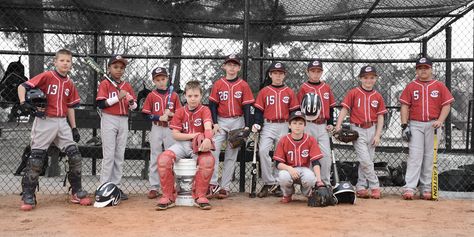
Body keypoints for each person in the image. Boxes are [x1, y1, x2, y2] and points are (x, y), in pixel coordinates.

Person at [17, 49, 91, 211]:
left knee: (75, 155)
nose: (65, 63)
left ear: (71, 64)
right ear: (55, 62)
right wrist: (23, 103)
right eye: (62, 60)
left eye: (68, 61)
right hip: (45, 121)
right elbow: (22, 86)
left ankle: (76, 191)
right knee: (36, 158)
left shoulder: (70, 84)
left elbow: (70, 107)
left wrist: (74, 127)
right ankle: (28, 194)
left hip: (62, 122)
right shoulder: (47, 76)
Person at [399, 57, 454, 200]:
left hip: (433, 125)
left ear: (431, 69)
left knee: (430, 157)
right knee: (415, 156)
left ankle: (426, 187)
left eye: (426, 68)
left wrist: (440, 120)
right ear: (417, 70)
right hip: (415, 124)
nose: (423, 70)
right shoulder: (411, 86)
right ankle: (409, 187)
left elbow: (446, 105)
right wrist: (404, 125)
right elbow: (405, 106)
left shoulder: (439, 85)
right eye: (420, 68)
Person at [156, 80, 215, 210]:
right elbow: (175, 135)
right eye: (189, 96)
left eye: (196, 96)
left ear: (201, 96)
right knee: (163, 159)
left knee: (208, 160)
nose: (193, 99)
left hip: (197, 146)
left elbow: (207, 128)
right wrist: (193, 135)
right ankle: (168, 196)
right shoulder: (180, 111)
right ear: (185, 96)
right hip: (182, 144)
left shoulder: (205, 110)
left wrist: (207, 139)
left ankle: (199, 196)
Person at [335, 65, 387, 199]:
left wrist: (377, 134)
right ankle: (375, 185)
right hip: (357, 129)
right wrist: (338, 125)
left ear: (375, 79)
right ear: (360, 78)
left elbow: (381, 117)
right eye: (365, 77)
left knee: (368, 160)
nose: (368, 80)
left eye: (371, 77)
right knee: (365, 160)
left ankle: (361, 186)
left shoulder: (378, 96)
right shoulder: (354, 92)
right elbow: (345, 109)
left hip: (372, 128)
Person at [207, 54, 254, 199]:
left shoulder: (243, 85)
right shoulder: (218, 84)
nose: (232, 67)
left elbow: (247, 106)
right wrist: (214, 123)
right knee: (213, 152)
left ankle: (225, 187)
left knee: (231, 156)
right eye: (229, 64)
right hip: (220, 121)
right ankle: (213, 184)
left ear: (239, 68)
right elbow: (212, 105)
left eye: (235, 65)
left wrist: (247, 126)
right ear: (224, 66)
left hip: (237, 121)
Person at [252, 62, 299, 198]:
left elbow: (294, 111)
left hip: (284, 125)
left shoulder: (289, 91)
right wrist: (257, 123)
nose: (278, 76)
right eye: (275, 73)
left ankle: (279, 183)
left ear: (284, 75)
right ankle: (268, 182)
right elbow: (259, 111)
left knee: (281, 155)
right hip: (268, 124)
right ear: (270, 74)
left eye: (280, 73)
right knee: (263, 150)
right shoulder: (264, 91)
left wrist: (292, 127)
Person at [96, 55, 137, 200]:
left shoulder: (127, 85)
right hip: (109, 119)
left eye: (121, 67)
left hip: (123, 120)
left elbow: (134, 107)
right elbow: (101, 104)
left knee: (119, 155)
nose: (119, 70)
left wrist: (131, 101)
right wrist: (118, 97)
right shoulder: (105, 84)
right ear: (109, 68)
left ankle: (116, 187)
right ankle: (104, 187)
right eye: (115, 67)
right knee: (109, 155)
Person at [142, 66, 182, 199]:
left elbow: (181, 114)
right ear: (154, 81)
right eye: (157, 79)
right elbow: (145, 114)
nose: (161, 82)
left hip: (170, 128)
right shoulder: (151, 95)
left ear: (167, 79)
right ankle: (154, 186)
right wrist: (159, 117)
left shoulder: (174, 95)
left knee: (172, 156)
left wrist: (172, 114)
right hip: (157, 127)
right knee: (155, 156)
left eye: (163, 79)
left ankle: (174, 185)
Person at [297, 59, 336, 185]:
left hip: (323, 125)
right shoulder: (304, 88)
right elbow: (299, 108)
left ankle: (324, 182)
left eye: (318, 71)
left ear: (322, 72)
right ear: (307, 72)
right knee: (308, 154)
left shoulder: (326, 87)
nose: (315, 74)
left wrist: (331, 123)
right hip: (308, 124)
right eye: (313, 71)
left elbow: (331, 107)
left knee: (325, 155)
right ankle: (309, 182)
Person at [273, 111, 325, 203]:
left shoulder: (310, 140)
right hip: (289, 170)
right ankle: (287, 194)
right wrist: (289, 168)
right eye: (294, 123)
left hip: (304, 170)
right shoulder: (284, 140)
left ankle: (308, 194)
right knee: (283, 176)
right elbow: (278, 164)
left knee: (310, 178)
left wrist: (319, 180)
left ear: (305, 126)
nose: (297, 126)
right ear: (289, 126)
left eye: (301, 123)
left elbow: (316, 162)